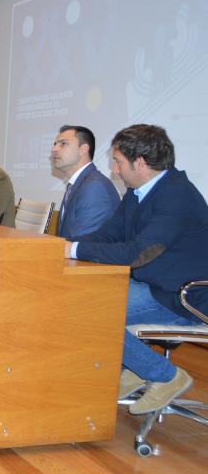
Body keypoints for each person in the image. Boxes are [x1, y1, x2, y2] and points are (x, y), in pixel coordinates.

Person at [66, 124, 208, 414]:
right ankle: (136, 368)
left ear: (139, 163)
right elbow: (109, 235)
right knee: (77, 300)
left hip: (184, 298)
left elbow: (138, 253)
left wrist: (73, 250)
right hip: (156, 287)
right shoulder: (138, 191)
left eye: (118, 162)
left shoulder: (176, 195)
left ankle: (166, 376)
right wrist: (65, 246)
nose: (115, 170)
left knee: (88, 313)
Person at [50, 125, 120, 240]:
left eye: (63, 144)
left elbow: (82, 245)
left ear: (83, 149)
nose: (54, 149)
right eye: (55, 144)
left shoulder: (94, 187)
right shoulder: (79, 183)